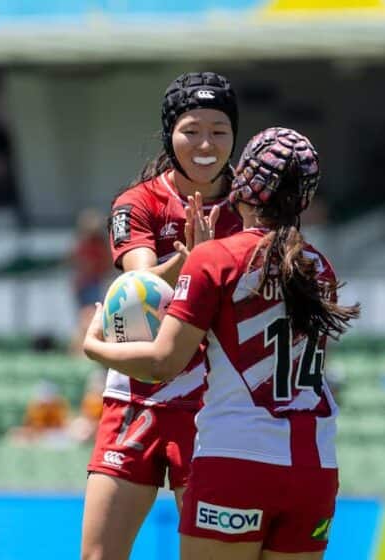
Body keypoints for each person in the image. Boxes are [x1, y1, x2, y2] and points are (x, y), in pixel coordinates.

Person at [85, 127, 360, 559]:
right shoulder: (318, 266)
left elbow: (161, 364)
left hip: (237, 461)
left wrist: (95, 345)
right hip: (315, 468)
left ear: (244, 184)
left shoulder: (215, 259)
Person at [81, 71, 242, 560]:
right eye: (192, 130)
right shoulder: (138, 202)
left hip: (214, 407)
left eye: (219, 130)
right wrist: (193, 258)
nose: (205, 143)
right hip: (136, 399)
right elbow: (138, 288)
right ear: (170, 133)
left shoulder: (253, 206)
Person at [69, 208, 110, 334]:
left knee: (89, 316)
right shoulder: (84, 244)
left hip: (94, 283)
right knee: (88, 316)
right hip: (88, 284)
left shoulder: (97, 245)